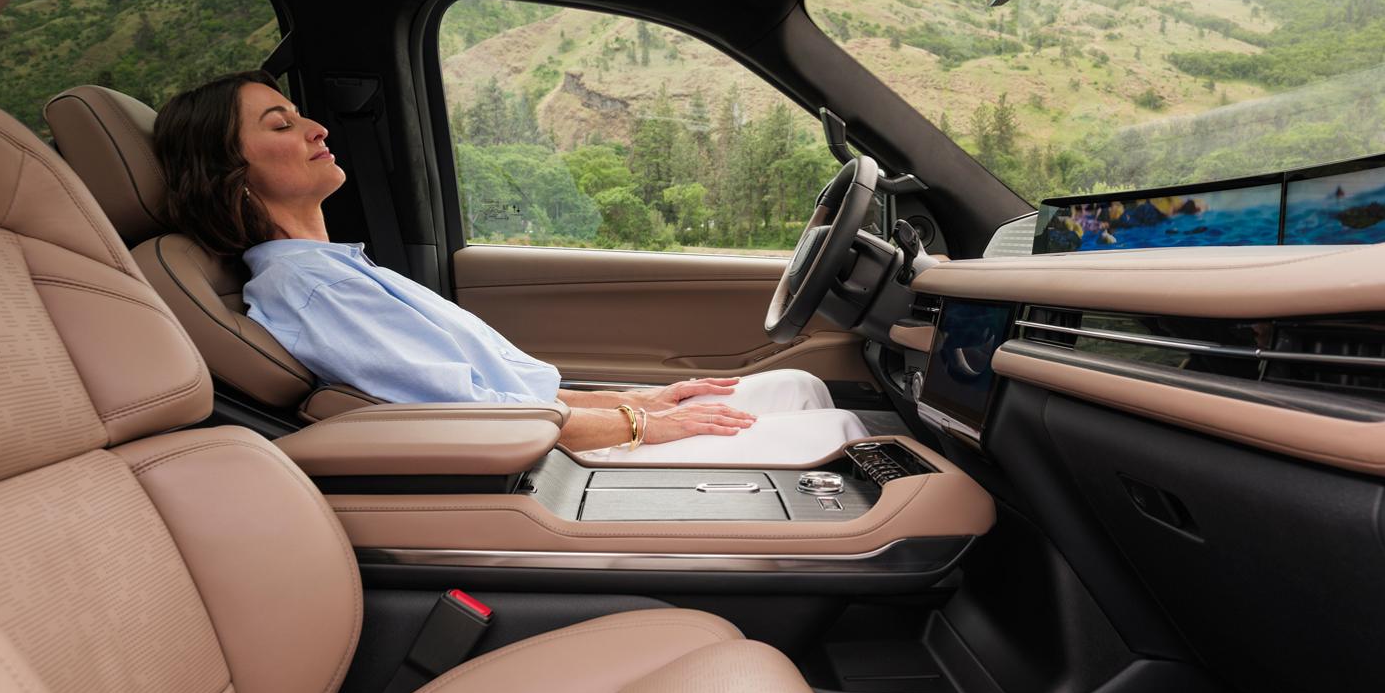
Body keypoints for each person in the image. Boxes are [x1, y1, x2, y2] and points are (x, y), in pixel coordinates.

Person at [151, 71, 870, 462]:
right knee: (834, 436)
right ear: (229, 172)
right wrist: (641, 426)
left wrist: (650, 402)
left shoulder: (335, 269)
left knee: (800, 385)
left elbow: (503, 390)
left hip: (556, 431)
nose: (316, 127)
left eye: (300, 114)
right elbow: (473, 419)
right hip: (550, 463)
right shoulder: (304, 288)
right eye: (280, 125)